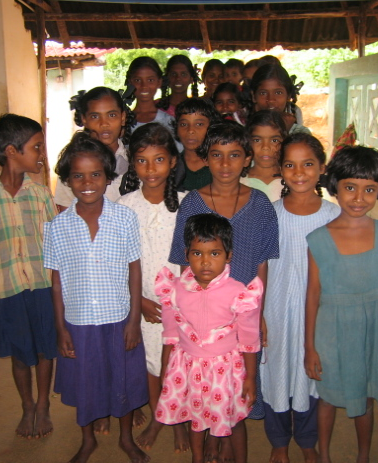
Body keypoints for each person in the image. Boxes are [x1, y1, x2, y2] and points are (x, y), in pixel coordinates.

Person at [169, 120, 279, 462]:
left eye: (234, 155)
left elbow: (262, 263)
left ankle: (226, 443)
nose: (226, 164)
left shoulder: (260, 204)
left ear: (247, 159)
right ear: (206, 159)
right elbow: (185, 266)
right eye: (216, 155)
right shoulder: (192, 204)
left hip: (242, 314)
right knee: (204, 384)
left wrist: (259, 314)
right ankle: (210, 445)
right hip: (206, 318)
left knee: (237, 385)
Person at [44, 132, 149, 463]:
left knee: (124, 381)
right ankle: (87, 439)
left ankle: (126, 439)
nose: (87, 182)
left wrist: (134, 320)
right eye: (78, 175)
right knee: (86, 382)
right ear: (67, 180)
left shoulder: (124, 218)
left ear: (107, 177)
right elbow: (57, 282)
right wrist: (61, 329)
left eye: (95, 175)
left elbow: (135, 271)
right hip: (79, 323)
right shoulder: (57, 227)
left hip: (118, 318)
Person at [0, 113, 57, 440]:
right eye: (36, 147)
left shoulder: (41, 194)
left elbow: (52, 236)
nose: (41, 154)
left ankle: (43, 404)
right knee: (20, 353)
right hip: (7, 288)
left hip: (41, 284)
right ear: (11, 151)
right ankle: (27, 405)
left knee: (46, 348)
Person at [304, 145, 378, 463]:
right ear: (335, 187)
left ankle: (363, 456)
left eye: (369, 189)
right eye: (350, 188)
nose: (359, 198)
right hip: (330, 330)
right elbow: (313, 295)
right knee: (327, 398)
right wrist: (309, 347)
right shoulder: (319, 238)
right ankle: (326, 455)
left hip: (372, 329)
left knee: (366, 396)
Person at [156, 213, 263, 463]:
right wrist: (165, 368)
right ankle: (198, 457)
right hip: (188, 367)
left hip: (226, 370)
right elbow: (170, 333)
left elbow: (249, 338)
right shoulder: (176, 291)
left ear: (229, 255)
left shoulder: (238, 292)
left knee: (234, 420)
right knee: (197, 418)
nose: (205, 262)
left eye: (214, 253)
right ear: (186, 255)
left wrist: (251, 378)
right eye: (197, 254)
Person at [261, 133, 340, 463]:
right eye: (290, 165)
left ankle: (308, 441)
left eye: (308, 164)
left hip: (318, 314)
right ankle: (279, 441)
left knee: (312, 375)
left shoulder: (334, 217)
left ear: (322, 168)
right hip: (276, 310)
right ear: (281, 170)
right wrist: (258, 314)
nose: (299, 172)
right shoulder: (269, 214)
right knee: (276, 371)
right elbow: (260, 267)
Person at [117, 123, 190, 453]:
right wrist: (139, 302)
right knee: (151, 364)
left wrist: (184, 300)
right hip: (143, 300)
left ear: (173, 161)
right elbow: (118, 262)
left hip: (181, 301)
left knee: (178, 362)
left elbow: (195, 257)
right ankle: (161, 415)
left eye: (159, 159)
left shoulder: (188, 204)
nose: (151, 169)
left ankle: (178, 421)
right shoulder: (125, 207)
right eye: (142, 161)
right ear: (133, 163)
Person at [55, 87, 129, 211]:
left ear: (122, 118)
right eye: (95, 116)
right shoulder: (73, 161)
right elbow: (65, 211)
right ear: (84, 119)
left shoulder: (135, 160)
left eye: (111, 115)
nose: (104, 123)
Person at [174, 98, 221, 191]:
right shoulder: (171, 166)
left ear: (211, 127)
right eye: (184, 124)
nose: (190, 130)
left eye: (199, 124)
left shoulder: (221, 165)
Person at [240, 110, 287, 202]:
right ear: (248, 142)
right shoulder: (239, 181)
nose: (265, 147)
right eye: (257, 140)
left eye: (274, 140)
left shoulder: (292, 180)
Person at [251, 64, 310, 135]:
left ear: (288, 95)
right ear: (254, 96)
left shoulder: (300, 133)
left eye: (278, 92)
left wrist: (285, 130)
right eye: (263, 93)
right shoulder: (244, 131)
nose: (271, 100)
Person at [126, 56, 175, 135]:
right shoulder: (123, 121)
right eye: (138, 80)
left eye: (150, 80)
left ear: (159, 82)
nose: (144, 85)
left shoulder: (168, 121)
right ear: (130, 82)